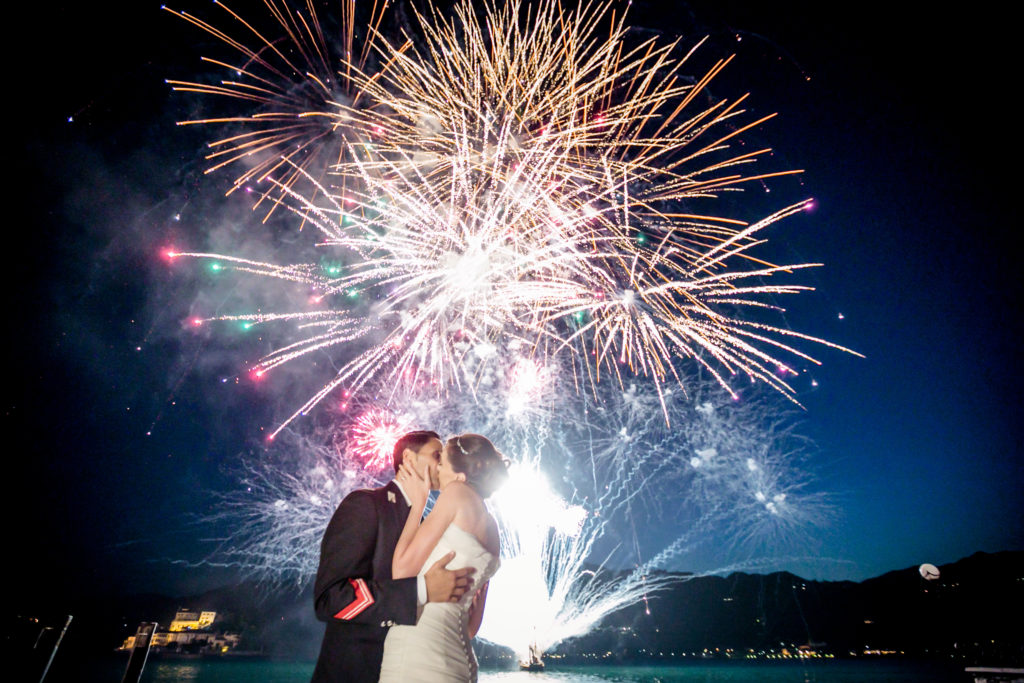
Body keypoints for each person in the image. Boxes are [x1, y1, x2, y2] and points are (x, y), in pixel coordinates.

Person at [311, 431, 477, 683]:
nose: (442, 463)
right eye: (436, 455)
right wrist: (421, 590)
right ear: (409, 459)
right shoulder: (366, 505)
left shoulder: (425, 525)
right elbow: (331, 597)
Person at [379, 433, 508, 682]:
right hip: (460, 660)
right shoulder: (492, 528)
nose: (436, 467)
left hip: (418, 654)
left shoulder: (456, 493)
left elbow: (402, 572)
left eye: (442, 462)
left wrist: (419, 504)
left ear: (460, 476)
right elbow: (472, 627)